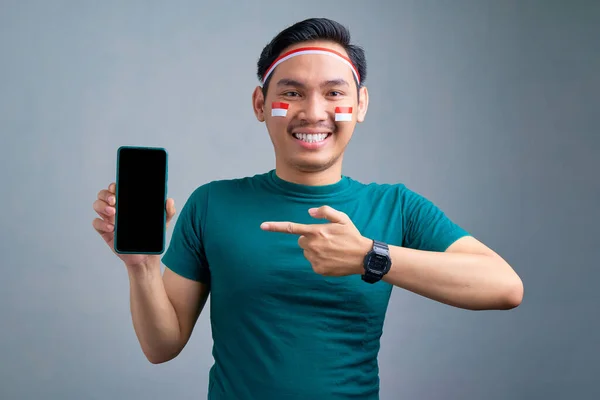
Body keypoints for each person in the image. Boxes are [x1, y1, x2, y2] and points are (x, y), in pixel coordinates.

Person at [92, 17, 523, 400]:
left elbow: (505, 287)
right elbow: (161, 347)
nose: (314, 112)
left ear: (361, 105)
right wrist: (142, 268)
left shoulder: (396, 207)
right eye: (292, 93)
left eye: (334, 93)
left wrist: (371, 257)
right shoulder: (212, 203)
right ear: (261, 105)